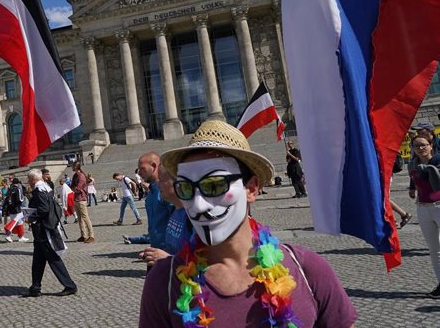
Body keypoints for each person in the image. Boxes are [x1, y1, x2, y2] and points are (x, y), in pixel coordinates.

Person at [139, 120, 357, 327]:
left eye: (214, 186)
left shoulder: (309, 270)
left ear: (251, 189)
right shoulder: (162, 283)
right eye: (186, 189)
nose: (199, 205)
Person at [24, 170, 78, 298]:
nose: (28, 182)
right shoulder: (47, 188)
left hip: (44, 229)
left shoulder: (39, 191)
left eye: (29, 180)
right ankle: (35, 287)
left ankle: (70, 285)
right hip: (43, 229)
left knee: (53, 258)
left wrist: (30, 218)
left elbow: (44, 209)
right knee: (38, 260)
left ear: (33, 180)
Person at [136, 165, 191, 266]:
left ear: (179, 182)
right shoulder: (176, 212)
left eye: (162, 180)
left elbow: (204, 262)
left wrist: (168, 259)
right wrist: (155, 254)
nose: (158, 184)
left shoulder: (193, 217)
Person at [408, 133, 440, 297]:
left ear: (431, 145)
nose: (420, 148)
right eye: (416, 146)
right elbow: (413, 179)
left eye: (423, 145)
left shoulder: (438, 161)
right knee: (434, 250)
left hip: (439, 206)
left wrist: (431, 171)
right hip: (423, 208)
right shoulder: (413, 164)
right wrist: (412, 187)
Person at [137, 152, 174, 251]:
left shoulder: (167, 191)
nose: (139, 173)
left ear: (153, 166)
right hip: (155, 250)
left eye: (142, 169)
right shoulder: (150, 193)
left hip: (169, 252)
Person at [70, 162, 95, 243]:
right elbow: (72, 186)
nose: (71, 167)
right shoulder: (75, 175)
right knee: (80, 218)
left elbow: (78, 188)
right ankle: (83, 235)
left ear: (75, 167)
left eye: (72, 166)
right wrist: (73, 188)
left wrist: (73, 188)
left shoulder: (81, 176)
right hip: (76, 198)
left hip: (81, 199)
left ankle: (91, 236)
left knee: (85, 218)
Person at [4, 178, 29, 243]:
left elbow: (6, 198)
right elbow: (19, 199)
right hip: (17, 208)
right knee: (14, 222)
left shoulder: (10, 189)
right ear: (18, 183)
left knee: (20, 222)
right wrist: (23, 199)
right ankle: (8, 235)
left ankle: (21, 236)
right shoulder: (17, 189)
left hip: (11, 208)